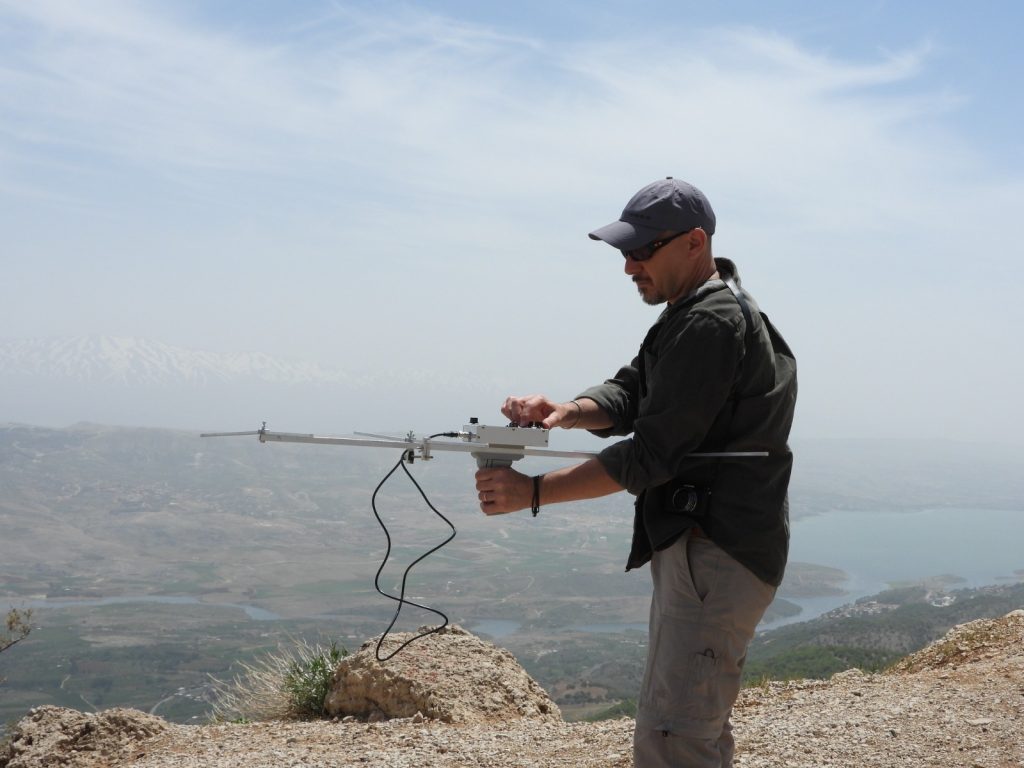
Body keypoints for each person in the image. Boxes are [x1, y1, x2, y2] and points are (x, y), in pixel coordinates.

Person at [474, 177, 797, 767]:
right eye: (625, 251)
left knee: (675, 736)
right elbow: (633, 390)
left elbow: (651, 454)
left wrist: (533, 493)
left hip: (713, 552)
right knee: (688, 726)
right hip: (715, 550)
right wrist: (567, 411)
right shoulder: (696, 311)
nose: (629, 266)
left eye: (643, 249)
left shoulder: (709, 322)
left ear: (694, 242)